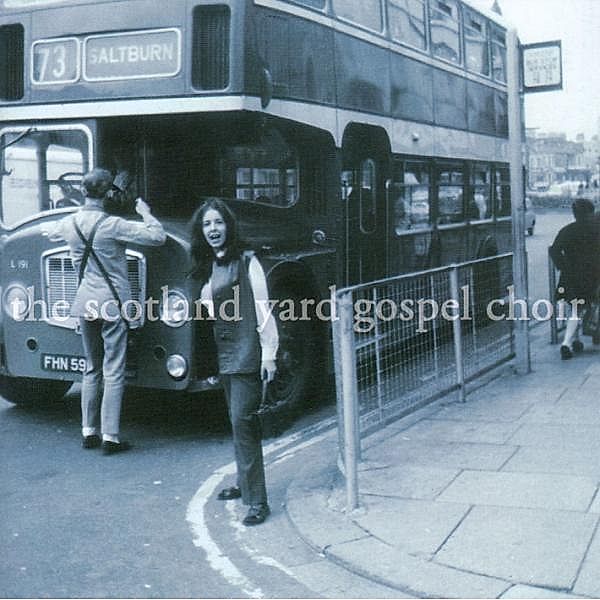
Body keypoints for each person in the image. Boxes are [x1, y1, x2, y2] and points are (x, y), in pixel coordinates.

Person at [48, 168, 166, 454]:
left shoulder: (69, 223)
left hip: (84, 301)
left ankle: (88, 431)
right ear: (108, 193)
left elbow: (49, 233)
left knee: (91, 367)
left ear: (84, 191)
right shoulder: (113, 224)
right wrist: (146, 212)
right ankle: (110, 436)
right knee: (114, 369)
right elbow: (158, 237)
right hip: (112, 302)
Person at [189, 198, 278, 526]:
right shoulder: (208, 263)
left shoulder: (247, 261)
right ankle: (244, 484)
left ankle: (257, 501)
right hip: (224, 356)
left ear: (229, 225)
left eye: (218, 223)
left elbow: (263, 309)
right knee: (236, 421)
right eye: (207, 224)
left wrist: (269, 354)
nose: (213, 229)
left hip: (246, 354)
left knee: (244, 425)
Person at [549, 198, 600, 359]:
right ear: (590, 213)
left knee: (575, 308)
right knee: (580, 309)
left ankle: (575, 340)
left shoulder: (567, 230)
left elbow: (554, 250)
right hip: (591, 276)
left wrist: (563, 266)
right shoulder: (597, 230)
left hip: (570, 276)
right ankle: (566, 343)